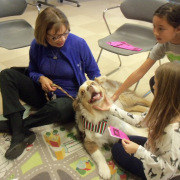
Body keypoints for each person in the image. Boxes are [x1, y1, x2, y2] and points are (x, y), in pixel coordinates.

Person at [0, 7, 100, 160]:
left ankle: (17, 127)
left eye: (65, 33)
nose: (62, 39)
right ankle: (19, 130)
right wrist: (40, 78)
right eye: (55, 36)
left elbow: (94, 73)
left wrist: (98, 95)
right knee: (6, 75)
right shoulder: (37, 45)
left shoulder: (78, 44)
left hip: (69, 100)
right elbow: (32, 70)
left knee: (58, 108)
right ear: (43, 34)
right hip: (44, 94)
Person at [95, 61, 180, 180]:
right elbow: (140, 121)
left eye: (156, 84)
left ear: (167, 91)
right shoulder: (164, 108)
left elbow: (167, 167)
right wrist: (112, 108)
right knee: (121, 140)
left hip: (154, 172)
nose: (153, 87)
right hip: (153, 147)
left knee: (116, 149)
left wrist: (138, 151)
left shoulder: (173, 132)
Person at [111, 2, 180, 101]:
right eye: (154, 26)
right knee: (155, 82)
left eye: (161, 28)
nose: (155, 32)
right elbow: (140, 72)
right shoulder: (163, 45)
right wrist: (116, 95)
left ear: (178, 29)